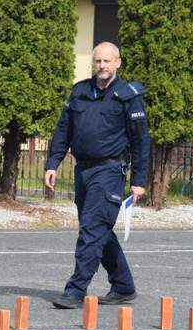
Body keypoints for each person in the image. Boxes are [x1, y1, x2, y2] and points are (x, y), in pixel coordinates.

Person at [44, 42, 149, 309]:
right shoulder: (80, 91)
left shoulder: (128, 95)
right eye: (98, 61)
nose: (102, 66)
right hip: (83, 170)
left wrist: (139, 181)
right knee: (99, 229)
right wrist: (52, 162)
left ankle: (75, 290)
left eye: (107, 61)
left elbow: (141, 141)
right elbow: (63, 129)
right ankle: (123, 285)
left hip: (110, 170)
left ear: (118, 63)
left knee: (91, 229)